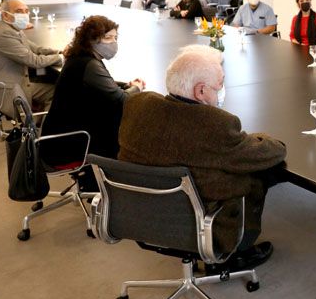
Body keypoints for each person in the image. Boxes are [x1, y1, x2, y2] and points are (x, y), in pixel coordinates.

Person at [118, 45, 286, 271]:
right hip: (202, 224)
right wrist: (260, 137)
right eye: (220, 85)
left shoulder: (138, 104)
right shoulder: (215, 125)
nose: (222, 89)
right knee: (261, 173)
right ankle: (234, 253)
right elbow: (271, 151)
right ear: (201, 91)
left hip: (139, 214)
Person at [41, 16, 145, 170]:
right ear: (91, 39)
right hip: (70, 144)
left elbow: (104, 85)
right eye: (107, 38)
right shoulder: (89, 64)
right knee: (131, 127)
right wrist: (137, 88)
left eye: (115, 37)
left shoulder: (80, 57)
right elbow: (122, 99)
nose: (113, 42)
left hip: (63, 135)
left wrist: (126, 85)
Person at [0, 0, 63, 117]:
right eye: (19, 11)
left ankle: (35, 124)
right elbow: (34, 61)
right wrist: (60, 58)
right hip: (2, 89)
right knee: (56, 91)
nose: (24, 15)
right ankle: (40, 131)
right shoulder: (5, 34)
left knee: (49, 81)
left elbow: (36, 48)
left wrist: (59, 51)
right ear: (5, 15)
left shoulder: (10, 27)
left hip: (9, 81)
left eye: (26, 11)